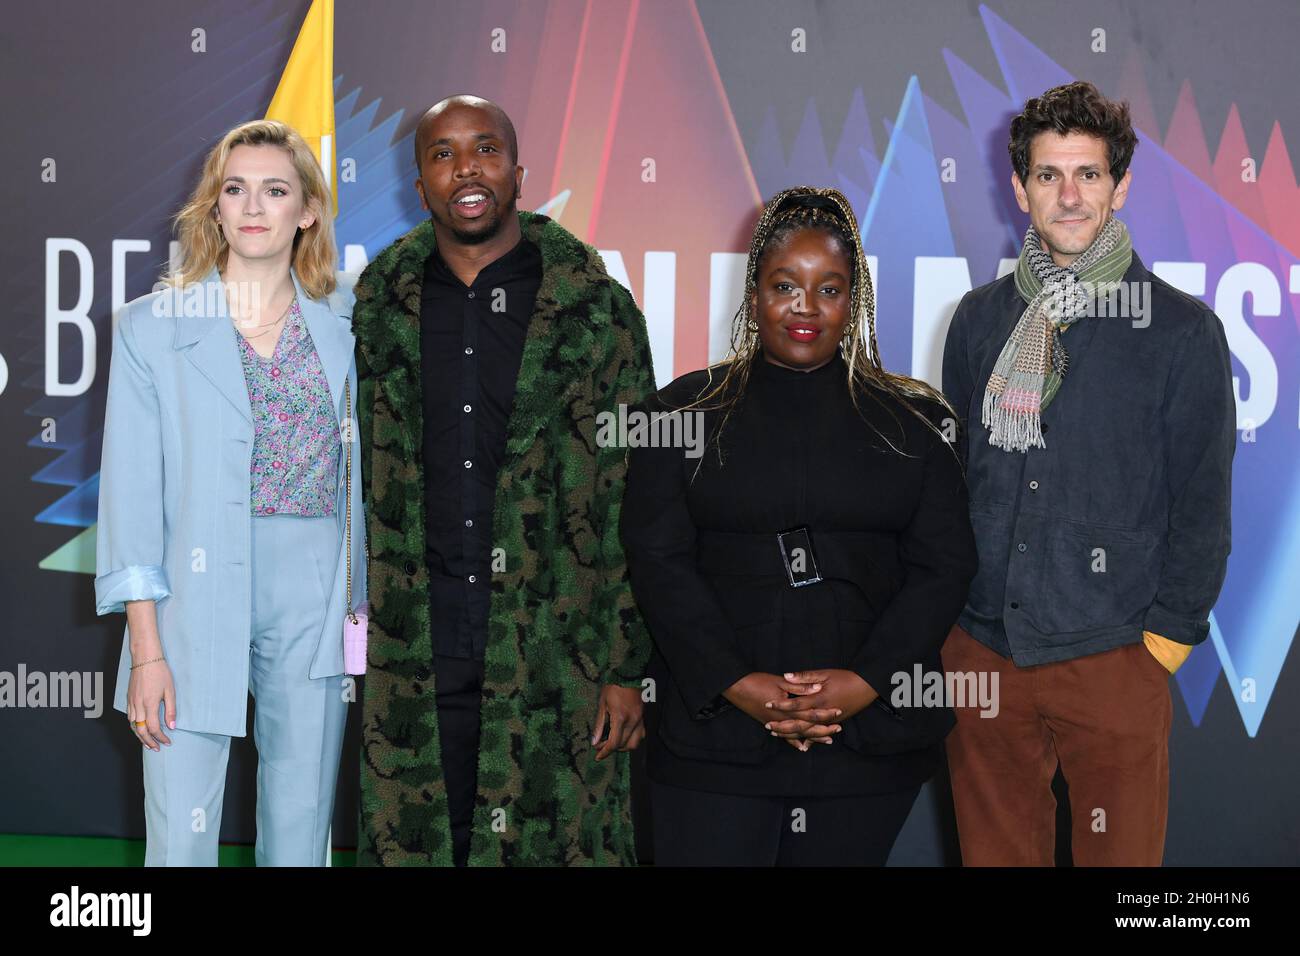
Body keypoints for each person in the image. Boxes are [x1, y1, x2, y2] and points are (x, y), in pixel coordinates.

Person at [620, 186, 978, 866]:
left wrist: (864, 683)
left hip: (866, 745)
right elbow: (658, 559)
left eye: (829, 288)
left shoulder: (916, 425)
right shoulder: (678, 413)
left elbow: (945, 567)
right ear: (754, 295)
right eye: (785, 285)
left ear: (854, 301)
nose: (806, 308)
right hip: (713, 741)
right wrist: (740, 685)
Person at [351, 94, 655, 866]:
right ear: (419, 187)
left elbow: (639, 492)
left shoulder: (597, 311)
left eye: (484, 149)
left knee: (555, 845)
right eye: (443, 154)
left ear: (518, 171)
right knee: (421, 841)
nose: (466, 170)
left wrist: (624, 667)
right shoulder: (376, 311)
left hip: (558, 645)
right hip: (415, 639)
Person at [940, 81, 1236, 866]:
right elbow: (954, 479)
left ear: (1120, 185)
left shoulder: (1180, 332)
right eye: (1048, 175)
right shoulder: (977, 322)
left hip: (1113, 656)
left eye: (1089, 174)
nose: (1068, 196)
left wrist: (1161, 647)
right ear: (1020, 189)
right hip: (983, 656)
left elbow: (1203, 505)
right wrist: (954, 637)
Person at [94, 119, 366, 866]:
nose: (253, 206)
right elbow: (131, 496)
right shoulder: (151, 329)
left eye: (275, 190)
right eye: (235, 189)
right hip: (189, 593)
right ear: (214, 208)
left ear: (306, 209)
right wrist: (145, 650)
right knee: (179, 837)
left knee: (300, 826)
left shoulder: (353, 324)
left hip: (314, 592)